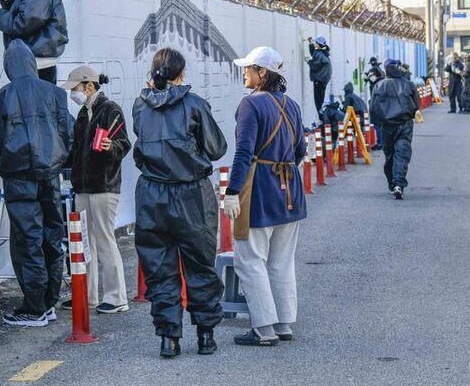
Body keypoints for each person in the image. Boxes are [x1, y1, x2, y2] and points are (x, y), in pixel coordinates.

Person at [132, 48, 228, 358]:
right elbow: (216, 148)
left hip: (151, 194)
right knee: (200, 264)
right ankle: (205, 335)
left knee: (159, 268)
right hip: (191, 193)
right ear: (182, 74)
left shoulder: (140, 106)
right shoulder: (195, 104)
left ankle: (168, 338)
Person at [0, 40, 73, 326]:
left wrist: (5, 161)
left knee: (27, 241)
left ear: (9, 65)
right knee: (52, 237)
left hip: (19, 177)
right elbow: (68, 131)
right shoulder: (55, 93)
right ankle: (48, 302)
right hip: (50, 175)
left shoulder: (3, 97)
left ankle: (34, 307)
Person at [222, 46, 306, 347]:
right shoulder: (292, 104)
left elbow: (244, 152)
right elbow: (300, 151)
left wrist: (232, 191)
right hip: (290, 192)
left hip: (259, 190)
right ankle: (284, 324)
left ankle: (263, 329)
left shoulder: (250, 105)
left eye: (249, 68)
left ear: (263, 73)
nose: (244, 73)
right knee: (281, 261)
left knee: (249, 259)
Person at [60, 66, 131, 314]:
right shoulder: (83, 114)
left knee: (103, 238)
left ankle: (116, 296)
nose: (74, 94)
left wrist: (111, 146)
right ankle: (86, 294)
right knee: (83, 243)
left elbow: (124, 144)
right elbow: (76, 150)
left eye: (76, 89)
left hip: (104, 185)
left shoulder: (110, 109)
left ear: (89, 86)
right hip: (83, 185)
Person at [370, 59, 420, 200]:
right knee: (402, 154)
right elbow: (416, 105)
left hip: (387, 126)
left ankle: (392, 184)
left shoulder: (379, 85)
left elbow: (373, 107)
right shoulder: (408, 84)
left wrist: (377, 124)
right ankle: (398, 184)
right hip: (404, 124)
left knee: (390, 155)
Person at [306, 35, 332, 119]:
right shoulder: (323, 52)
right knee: (320, 98)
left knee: (318, 100)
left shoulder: (320, 54)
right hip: (323, 79)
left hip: (319, 79)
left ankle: (321, 117)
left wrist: (309, 61)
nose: (315, 44)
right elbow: (314, 54)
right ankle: (321, 116)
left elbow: (315, 63)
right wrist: (310, 44)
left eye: (315, 43)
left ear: (318, 44)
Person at [364, 58, 385, 150]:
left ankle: (380, 143)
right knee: (381, 124)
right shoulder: (381, 72)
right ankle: (382, 142)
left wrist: (366, 77)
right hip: (382, 101)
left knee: (376, 124)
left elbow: (370, 80)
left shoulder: (373, 71)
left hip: (376, 101)